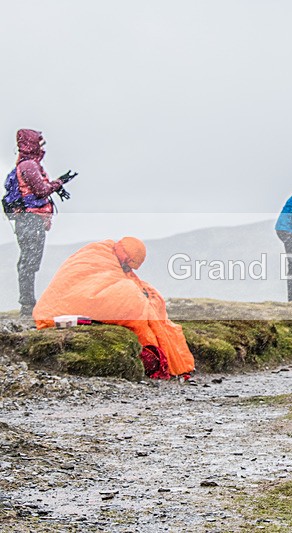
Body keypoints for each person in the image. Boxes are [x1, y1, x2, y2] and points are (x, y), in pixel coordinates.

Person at [33, 237, 195, 379]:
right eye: (128, 263)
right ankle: (155, 354)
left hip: (78, 298)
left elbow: (120, 279)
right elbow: (87, 280)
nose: (127, 268)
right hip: (69, 299)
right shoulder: (97, 254)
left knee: (150, 297)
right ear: (124, 253)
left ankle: (156, 354)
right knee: (131, 298)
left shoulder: (115, 259)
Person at [4, 129, 76, 318]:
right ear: (31, 144)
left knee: (28, 262)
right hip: (31, 220)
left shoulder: (26, 164)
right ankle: (27, 307)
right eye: (40, 143)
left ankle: (28, 305)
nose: (42, 147)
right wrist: (60, 182)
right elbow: (41, 190)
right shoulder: (29, 165)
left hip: (26, 220)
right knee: (29, 263)